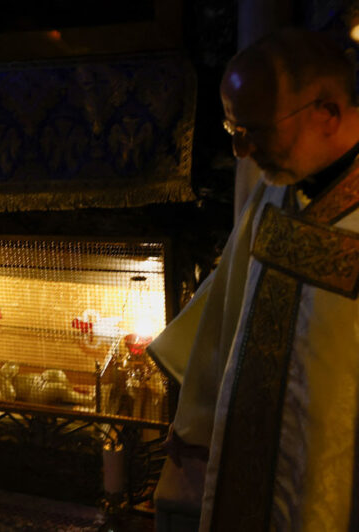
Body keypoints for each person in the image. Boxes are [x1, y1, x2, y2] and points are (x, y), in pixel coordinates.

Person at [149, 28, 359, 531]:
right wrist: (196, 419)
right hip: (250, 454)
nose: (242, 151)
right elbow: (227, 298)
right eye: (232, 129)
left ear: (326, 113)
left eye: (257, 131)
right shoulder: (277, 188)